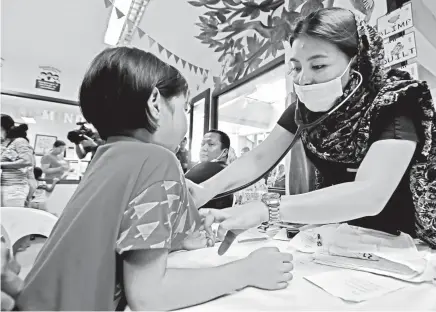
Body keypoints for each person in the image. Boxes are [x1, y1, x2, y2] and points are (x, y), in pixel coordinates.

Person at [16, 47, 293, 311]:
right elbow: (149, 297)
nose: (185, 124)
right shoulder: (157, 160)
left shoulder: (108, 156)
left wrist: (178, 240)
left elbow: (113, 238)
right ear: (155, 103)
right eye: (184, 108)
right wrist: (245, 271)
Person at [187, 8, 436, 253]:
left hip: (407, 243)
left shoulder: (393, 105)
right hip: (345, 234)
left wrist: (266, 210)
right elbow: (259, 158)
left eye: (318, 66)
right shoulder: (301, 113)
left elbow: (370, 193)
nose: (304, 78)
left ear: (358, 63)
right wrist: (204, 190)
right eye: (296, 67)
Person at [185, 130, 234, 209]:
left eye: (211, 144)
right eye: (202, 144)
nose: (204, 148)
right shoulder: (226, 171)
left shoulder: (214, 168)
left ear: (224, 152)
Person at [1, 115, 34, 207]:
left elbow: (27, 161)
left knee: (12, 218)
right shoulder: (6, 144)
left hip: (14, 187)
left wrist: (1, 164)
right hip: (5, 186)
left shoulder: (19, 141)